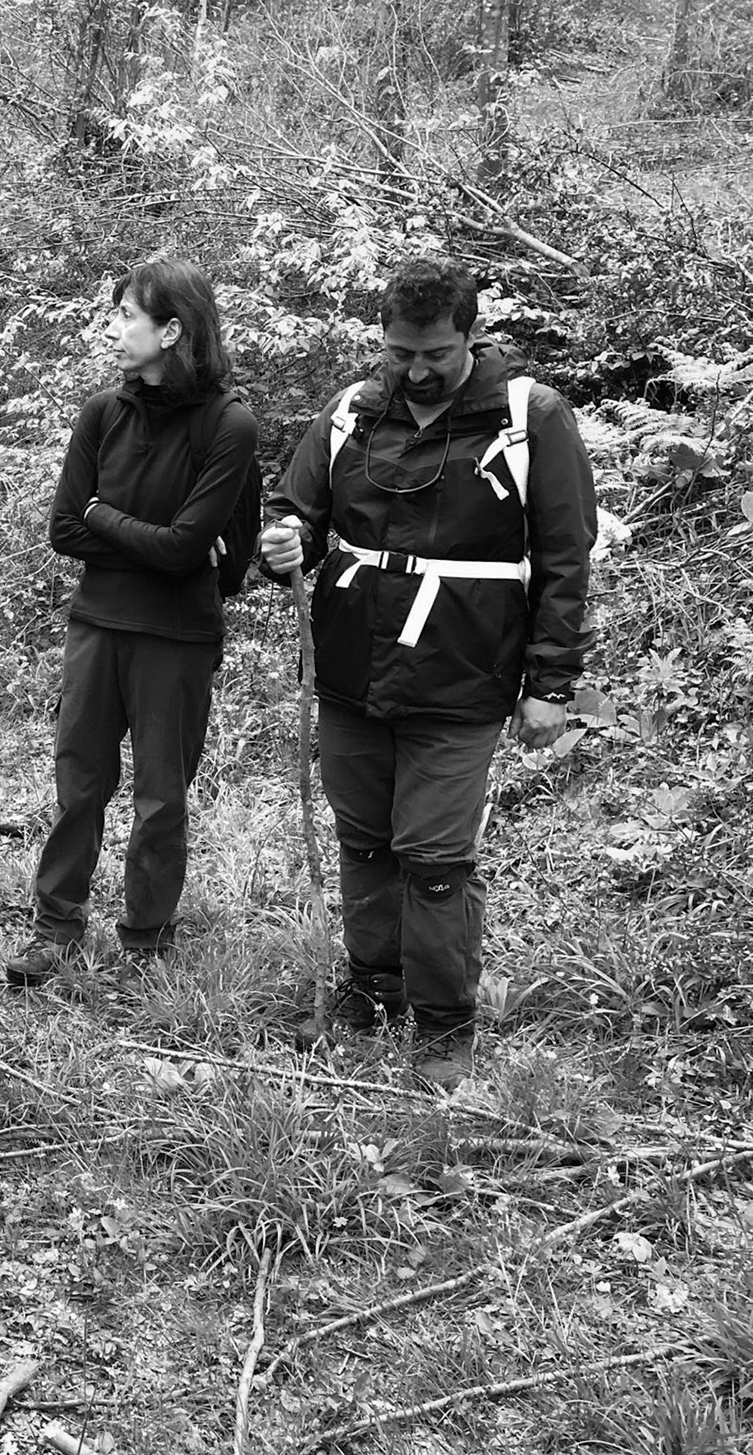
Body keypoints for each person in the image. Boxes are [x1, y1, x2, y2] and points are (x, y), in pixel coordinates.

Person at [258, 255, 595, 1089]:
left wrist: (549, 685)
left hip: (463, 674)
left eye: (433, 356)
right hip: (350, 668)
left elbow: (564, 557)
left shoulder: (530, 418)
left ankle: (444, 1020)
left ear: (471, 338)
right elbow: (297, 508)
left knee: (435, 853)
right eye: (397, 352)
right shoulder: (351, 412)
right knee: (364, 841)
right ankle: (373, 990)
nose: (414, 370)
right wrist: (284, 541)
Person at [5, 258, 260, 988]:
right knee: (78, 781)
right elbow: (63, 529)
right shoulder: (101, 413)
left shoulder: (229, 424)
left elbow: (194, 551)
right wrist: (157, 540)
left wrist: (104, 518)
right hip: (97, 623)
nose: (113, 330)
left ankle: (146, 939)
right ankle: (55, 926)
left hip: (177, 638)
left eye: (127, 317)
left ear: (173, 331)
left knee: (160, 797)